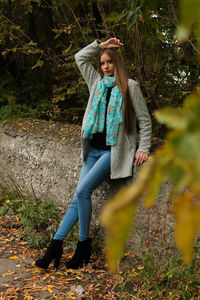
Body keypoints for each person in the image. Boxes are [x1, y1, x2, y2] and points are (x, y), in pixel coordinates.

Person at [35, 38, 152, 270]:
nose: (106, 66)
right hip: (93, 150)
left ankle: (82, 246)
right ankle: (55, 246)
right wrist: (101, 44)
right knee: (77, 199)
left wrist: (144, 147)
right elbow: (80, 58)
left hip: (113, 152)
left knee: (82, 191)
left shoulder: (130, 86)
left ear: (117, 63)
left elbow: (145, 120)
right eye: (102, 62)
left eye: (109, 62)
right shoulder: (97, 84)